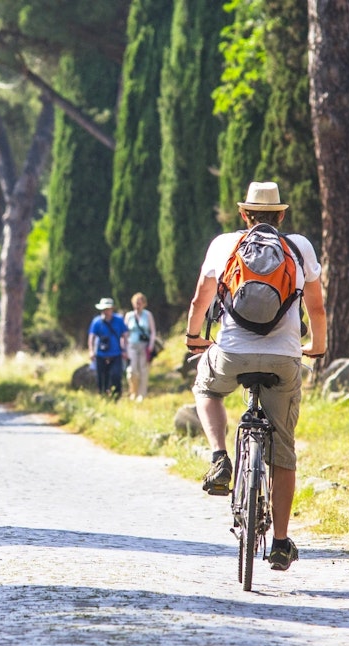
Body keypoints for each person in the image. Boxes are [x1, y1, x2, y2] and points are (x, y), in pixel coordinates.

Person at [184, 181, 326, 572]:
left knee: (206, 386)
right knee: (284, 447)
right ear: (281, 216)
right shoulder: (299, 247)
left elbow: (201, 299)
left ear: (244, 214)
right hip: (284, 358)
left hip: (231, 352)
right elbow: (316, 307)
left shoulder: (224, 244)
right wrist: (317, 347)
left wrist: (193, 336)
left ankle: (219, 458)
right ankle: (280, 542)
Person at [87, 298, 129, 400]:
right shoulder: (96, 321)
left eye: (108, 309)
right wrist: (91, 351)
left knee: (116, 376)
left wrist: (125, 350)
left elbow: (125, 335)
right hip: (101, 354)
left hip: (116, 354)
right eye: (104, 309)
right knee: (101, 377)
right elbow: (91, 337)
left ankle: (116, 397)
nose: (106, 311)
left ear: (112, 309)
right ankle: (103, 396)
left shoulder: (118, 320)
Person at [124, 293, 157, 402]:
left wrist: (151, 345)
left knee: (143, 370)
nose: (138, 305)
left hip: (144, 346)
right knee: (132, 370)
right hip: (131, 345)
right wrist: (123, 346)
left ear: (144, 304)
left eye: (140, 303)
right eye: (136, 303)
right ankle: (133, 391)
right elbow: (125, 333)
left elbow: (152, 331)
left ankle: (142, 394)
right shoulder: (129, 316)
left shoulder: (148, 315)